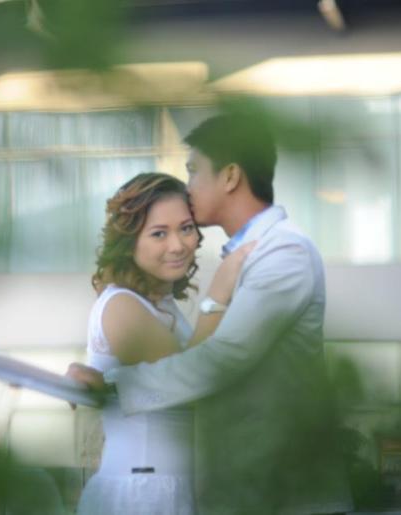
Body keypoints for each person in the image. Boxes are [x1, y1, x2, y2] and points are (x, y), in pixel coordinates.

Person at [68, 113, 353, 515]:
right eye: (159, 233)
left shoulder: (282, 252)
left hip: (286, 496)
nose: (189, 187)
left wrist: (113, 385)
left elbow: (224, 357)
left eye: (193, 171)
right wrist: (216, 294)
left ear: (231, 176)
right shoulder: (132, 301)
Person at [76, 172, 254, 515]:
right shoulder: (122, 304)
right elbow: (194, 379)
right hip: (143, 495)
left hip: (167, 487)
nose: (178, 245)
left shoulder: (162, 305)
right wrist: (220, 290)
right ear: (129, 242)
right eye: (159, 233)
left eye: (186, 228)